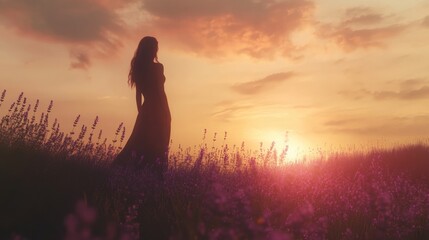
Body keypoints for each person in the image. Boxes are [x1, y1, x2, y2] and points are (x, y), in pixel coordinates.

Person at [114, 36, 171, 177]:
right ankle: (156, 175)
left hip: (146, 109)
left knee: (139, 141)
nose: (157, 49)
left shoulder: (138, 67)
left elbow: (138, 94)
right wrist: (166, 112)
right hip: (159, 108)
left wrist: (141, 113)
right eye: (155, 47)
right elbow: (160, 91)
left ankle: (125, 171)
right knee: (160, 142)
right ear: (152, 49)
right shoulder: (158, 67)